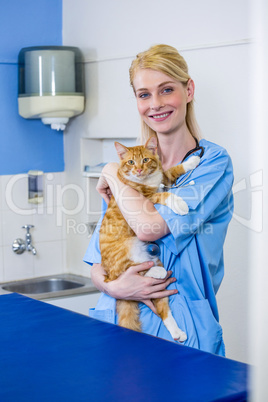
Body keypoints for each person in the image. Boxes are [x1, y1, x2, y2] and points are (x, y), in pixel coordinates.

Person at [84, 44, 234, 356]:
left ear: (189, 90)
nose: (156, 104)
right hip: (119, 317)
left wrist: (111, 170)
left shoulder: (212, 164)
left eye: (166, 90)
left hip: (181, 327)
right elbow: (98, 261)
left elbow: (149, 227)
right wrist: (111, 286)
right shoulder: (130, 165)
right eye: (144, 94)